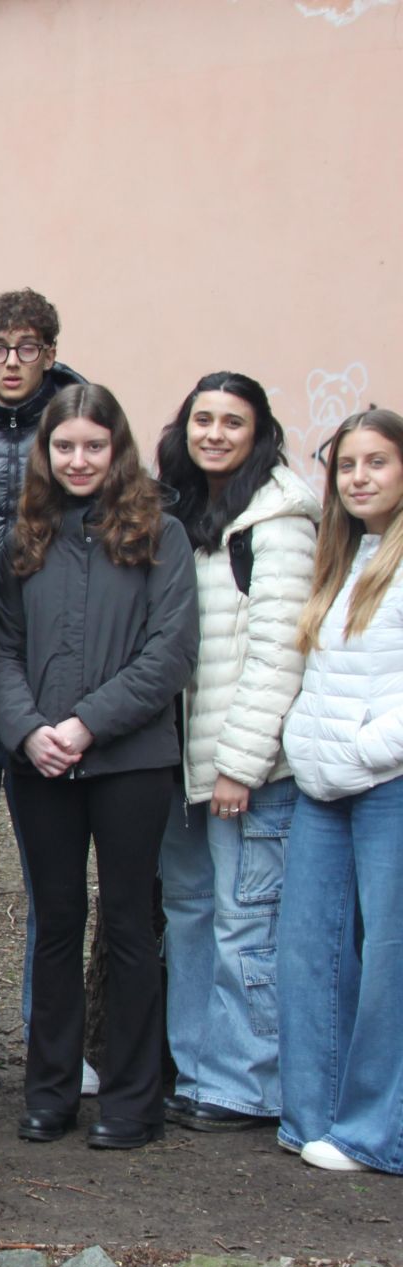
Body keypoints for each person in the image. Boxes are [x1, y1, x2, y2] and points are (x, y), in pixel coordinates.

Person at [0, 383, 197, 1151]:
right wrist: (29, 731)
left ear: (118, 450)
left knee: (130, 926)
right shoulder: (25, 537)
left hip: (130, 763)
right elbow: (1, 647)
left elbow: (168, 652)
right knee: (55, 925)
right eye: (65, 446)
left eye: (94, 446)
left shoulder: (160, 535)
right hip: (40, 763)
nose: (79, 460)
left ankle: (132, 1100)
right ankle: (50, 1091)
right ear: (46, 453)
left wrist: (85, 723)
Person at [154, 372, 318, 1134]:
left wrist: (238, 766)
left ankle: (249, 1083)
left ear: (260, 434)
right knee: (188, 915)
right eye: (204, 420)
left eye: (234, 423)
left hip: (245, 770)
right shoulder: (183, 510)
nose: (215, 434)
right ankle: (198, 1070)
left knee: (244, 923)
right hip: (181, 761)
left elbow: (281, 654)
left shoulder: (277, 519)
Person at [0, 288, 87, 1078]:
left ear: (49, 350)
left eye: (26, 346)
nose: (10, 362)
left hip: (49, 682)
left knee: (55, 877)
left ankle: (50, 1034)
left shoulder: (79, 427)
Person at [278, 407, 403, 1175]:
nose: (360, 478)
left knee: (390, 956)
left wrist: (368, 748)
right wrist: (308, 744)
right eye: (348, 465)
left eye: (377, 463)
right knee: (310, 951)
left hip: (387, 779)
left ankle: (377, 1131)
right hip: (322, 785)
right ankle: (314, 1118)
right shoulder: (343, 554)